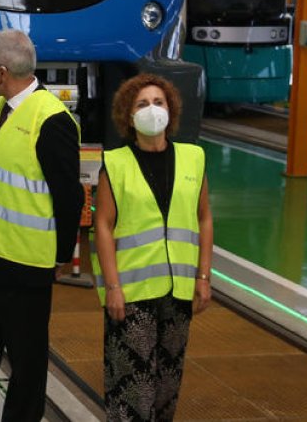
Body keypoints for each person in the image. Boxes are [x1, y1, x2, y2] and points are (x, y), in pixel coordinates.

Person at [0, 29, 83, 422]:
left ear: (1, 71)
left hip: (24, 265)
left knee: (26, 364)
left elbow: (68, 197)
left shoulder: (52, 121)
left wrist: (61, 256)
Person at [93, 74, 214, 421]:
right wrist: (112, 286)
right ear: (128, 116)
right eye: (142, 104)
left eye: (158, 102)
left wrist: (203, 277)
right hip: (131, 293)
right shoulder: (115, 164)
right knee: (133, 387)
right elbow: (103, 225)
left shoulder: (194, 158)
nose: (152, 110)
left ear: (170, 109)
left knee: (166, 386)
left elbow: (204, 218)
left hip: (178, 292)